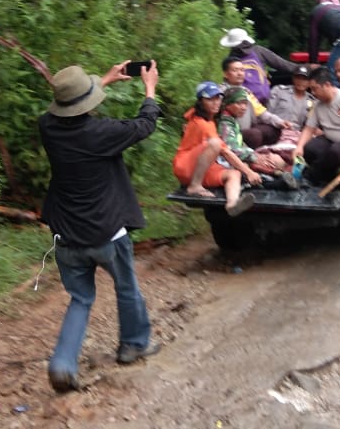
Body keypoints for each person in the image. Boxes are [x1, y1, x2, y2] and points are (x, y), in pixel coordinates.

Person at [38, 61, 161, 393]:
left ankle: (63, 364)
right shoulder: (101, 133)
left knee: (80, 299)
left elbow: (66, 111)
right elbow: (144, 125)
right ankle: (134, 344)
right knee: (126, 287)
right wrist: (149, 89)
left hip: (66, 233)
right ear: (87, 103)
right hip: (106, 232)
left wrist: (104, 80)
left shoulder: (47, 127)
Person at [172, 81, 260, 216]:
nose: (215, 102)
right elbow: (226, 152)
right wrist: (248, 172)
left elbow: (189, 113)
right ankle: (195, 187)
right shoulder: (202, 124)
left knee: (233, 174)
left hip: (201, 166)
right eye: (210, 99)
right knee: (215, 143)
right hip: (186, 166)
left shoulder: (207, 119)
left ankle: (232, 204)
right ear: (201, 101)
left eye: (217, 98)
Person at [217, 87, 297, 187]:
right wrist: (255, 157)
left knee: (276, 160)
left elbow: (239, 143)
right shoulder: (226, 124)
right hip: (227, 161)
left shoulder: (231, 119)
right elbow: (232, 150)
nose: (243, 107)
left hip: (241, 155)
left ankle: (275, 177)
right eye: (239, 103)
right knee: (273, 162)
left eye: (245, 103)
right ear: (228, 104)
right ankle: (272, 183)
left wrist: (256, 155)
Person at [220, 28, 300, 106]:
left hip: (245, 104)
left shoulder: (231, 59)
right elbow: (283, 65)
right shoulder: (258, 51)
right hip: (255, 103)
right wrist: (305, 68)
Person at [221, 56, 289, 148]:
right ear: (225, 74)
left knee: (274, 129)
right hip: (230, 132)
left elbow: (261, 113)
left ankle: (253, 145)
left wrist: (279, 122)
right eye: (235, 70)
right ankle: (247, 152)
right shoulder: (221, 92)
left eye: (242, 70)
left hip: (247, 128)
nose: (240, 73)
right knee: (254, 135)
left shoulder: (246, 91)